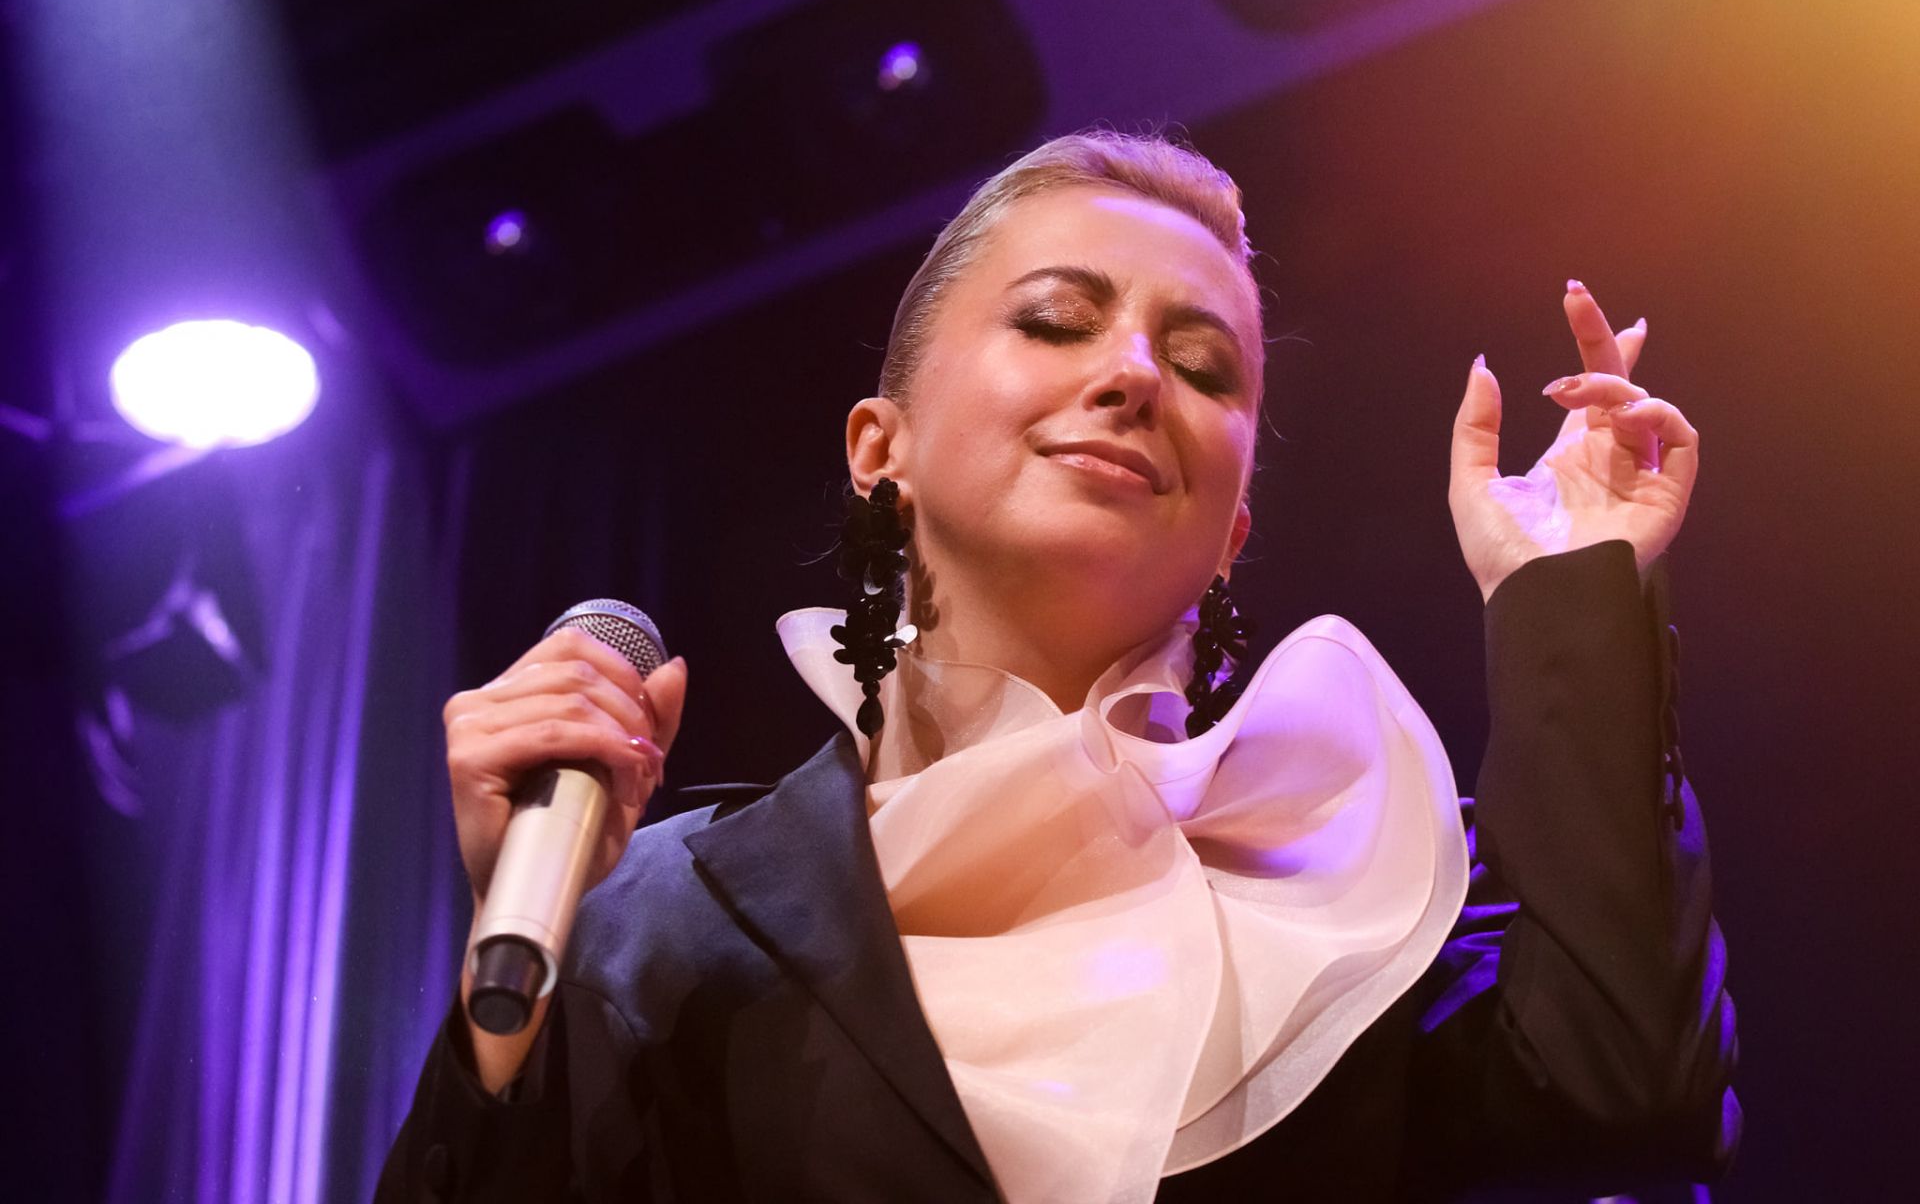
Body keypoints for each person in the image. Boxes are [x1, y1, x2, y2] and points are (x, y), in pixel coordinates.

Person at [377, 130, 1738, 1202]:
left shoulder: (1355, 896)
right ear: (880, 451)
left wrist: (1571, 586)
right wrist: (510, 988)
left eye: (1204, 365)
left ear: (1233, 533)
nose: (1135, 374)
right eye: (1054, 322)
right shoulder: (660, 910)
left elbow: (1623, 1098)